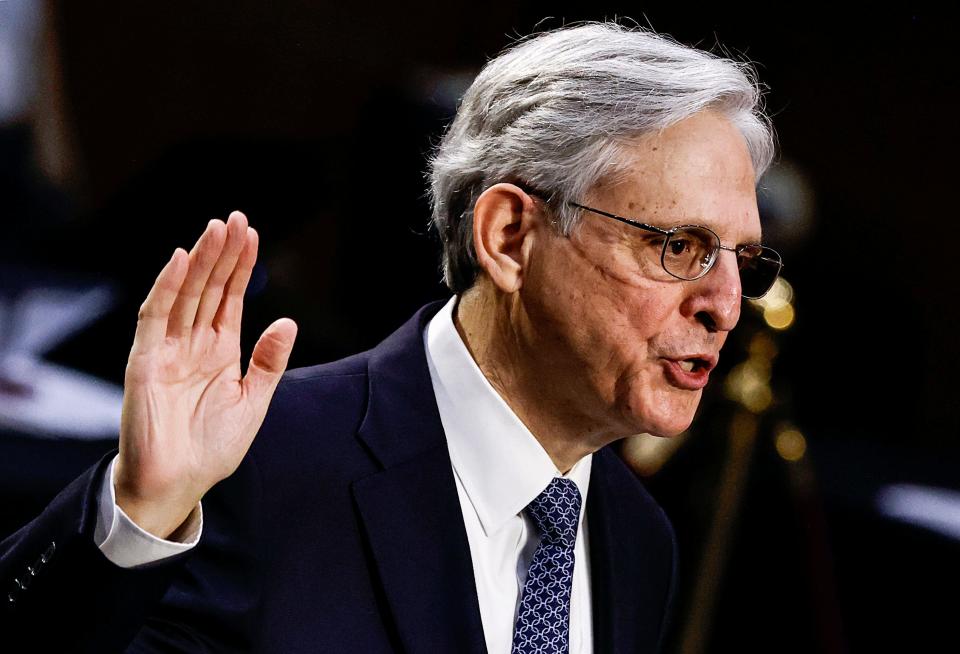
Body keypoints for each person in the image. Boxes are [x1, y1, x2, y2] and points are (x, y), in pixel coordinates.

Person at [0, 21, 780, 653]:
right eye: (677, 248)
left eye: (742, 261)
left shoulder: (638, 541)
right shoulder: (259, 462)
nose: (724, 302)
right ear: (510, 237)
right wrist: (134, 515)